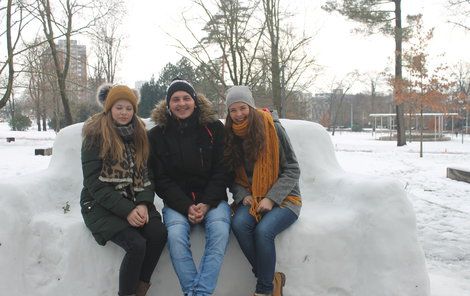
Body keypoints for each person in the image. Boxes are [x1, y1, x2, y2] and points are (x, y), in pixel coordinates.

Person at [80, 84, 167, 296]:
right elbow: (94, 183)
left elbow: (147, 174)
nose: (124, 113)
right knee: (136, 245)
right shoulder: (95, 135)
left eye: (129, 108)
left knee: (158, 234)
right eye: (119, 107)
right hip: (100, 204)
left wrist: (144, 203)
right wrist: (127, 210)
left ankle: (140, 287)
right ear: (109, 108)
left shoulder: (140, 135)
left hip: (136, 199)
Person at [147, 78, 231, 296]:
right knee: (174, 237)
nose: (181, 103)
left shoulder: (213, 128)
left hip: (212, 200)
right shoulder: (156, 135)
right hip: (177, 202)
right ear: (168, 105)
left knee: (221, 231)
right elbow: (161, 179)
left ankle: (198, 293)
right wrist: (186, 206)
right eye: (175, 99)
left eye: (186, 98)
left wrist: (206, 203)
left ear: (195, 101)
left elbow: (222, 170)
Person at [224, 86, 302, 296]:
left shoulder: (273, 128)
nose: (239, 114)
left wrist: (271, 198)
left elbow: (293, 169)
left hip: (285, 198)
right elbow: (231, 176)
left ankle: (264, 290)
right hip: (252, 198)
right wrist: (242, 194)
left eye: (243, 108)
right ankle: (270, 278)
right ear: (228, 114)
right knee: (239, 224)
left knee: (263, 231)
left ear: (251, 106)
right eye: (233, 110)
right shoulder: (230, 136)